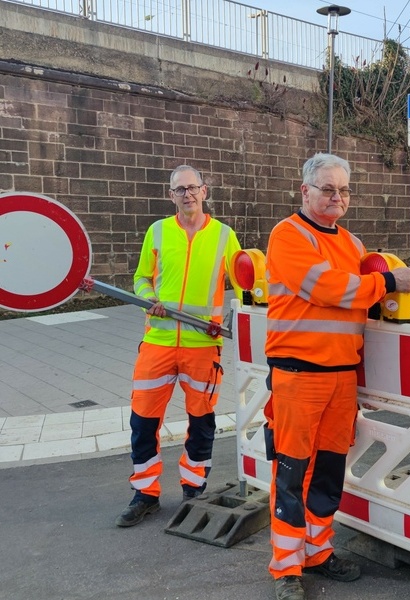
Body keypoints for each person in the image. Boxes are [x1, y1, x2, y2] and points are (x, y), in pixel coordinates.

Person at [264, 153, 410, 600]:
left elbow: (358, 300)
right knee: (293, 472)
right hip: (298, 375)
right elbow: (326, 289)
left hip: (340, 377)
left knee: (329, 472)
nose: (337, 197)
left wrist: (385, 291)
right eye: (328, 189)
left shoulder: (352, 245)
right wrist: (389, 283)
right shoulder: (288, 235)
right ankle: (286, 568)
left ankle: (318, 551)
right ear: (305, 191)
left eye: (344, 190)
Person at [115, 165, 241, 527]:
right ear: (170, 195)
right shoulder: (157, 232)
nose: (187, 194)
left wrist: (241, 317)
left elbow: (246, 282)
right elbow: (140, 278)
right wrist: (149, 297)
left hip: (203, 344)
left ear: (205, 191)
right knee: (142, 421)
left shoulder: (223, 236)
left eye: (192, 187)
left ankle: (194, 489)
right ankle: (145, 493)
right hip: (158, 341)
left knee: (202, 421)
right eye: (179, 189)